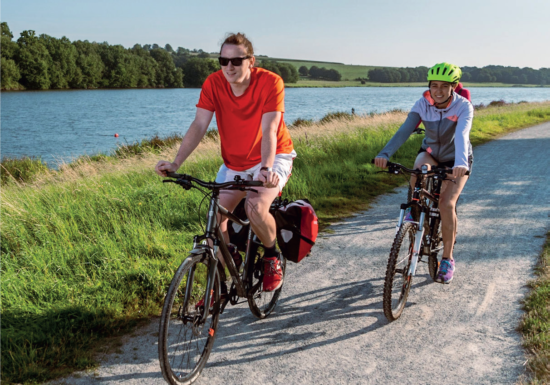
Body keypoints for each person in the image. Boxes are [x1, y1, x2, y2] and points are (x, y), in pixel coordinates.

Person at [155, 32, 296, 292]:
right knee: (214, 216)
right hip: (235, 162)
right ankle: (221, 278)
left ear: (251, 61)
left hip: (273, 156)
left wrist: (266, 168)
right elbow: (199, 125)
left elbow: (270, 129)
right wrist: (176, 163)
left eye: (236, 61)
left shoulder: (270, 82)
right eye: (223, 60)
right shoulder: (214, 83)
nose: (228, 67)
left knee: (255, 207)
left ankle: (271, 256)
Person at [374, 62, 473, 284]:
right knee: (418, 168)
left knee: (446, 204)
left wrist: (459, 163)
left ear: (453, 87)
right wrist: (385, 153)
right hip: (430, 153)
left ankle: (447, 258)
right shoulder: (423, 103)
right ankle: (414, 207)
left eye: (444, 86)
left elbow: (462, 136)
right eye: (433, 85)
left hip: (457, 158)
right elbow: (404, 130)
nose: (437, 91)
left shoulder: (463, 106)